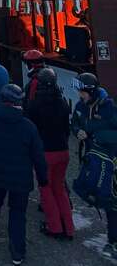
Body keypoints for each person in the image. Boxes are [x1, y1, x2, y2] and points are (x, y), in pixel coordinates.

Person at [0, 83, 48, 266]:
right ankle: (17, 251)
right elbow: (38, 155)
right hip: (21, 178)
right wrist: (42, 178)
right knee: (17, 213)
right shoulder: (28, 126)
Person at [72, 72, 117, 259]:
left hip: (111, 161)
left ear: (89, 91)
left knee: (112, 201)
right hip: (93, 159)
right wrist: (77, 132)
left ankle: (113, 240)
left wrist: (91, 132)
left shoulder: (109, 106)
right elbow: (74, 124)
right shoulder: (80, 106)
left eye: (81, 91)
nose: (79, 95)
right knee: (102, 196)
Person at [26, 67, 74, 239]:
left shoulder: (35, 104)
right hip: (63, 150)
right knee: (59, 188)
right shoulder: (62, 102)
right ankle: (69, 227)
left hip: (45, 152)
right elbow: (67, 129)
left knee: (45, 189)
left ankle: (55, 226)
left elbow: (30, 129)